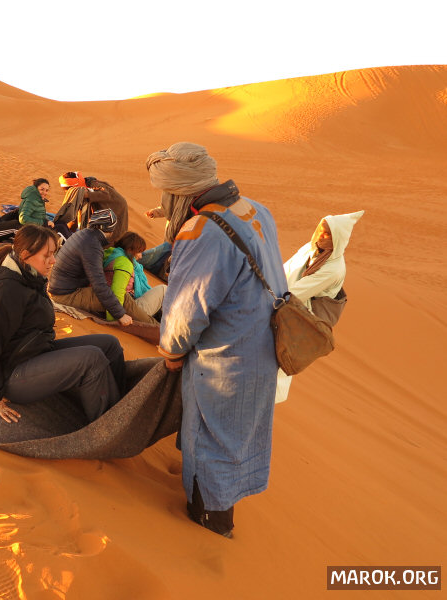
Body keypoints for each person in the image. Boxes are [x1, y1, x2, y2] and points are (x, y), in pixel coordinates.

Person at [148, 142, 287, 538]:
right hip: (263, 350)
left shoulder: (202, 231)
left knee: (212, 442)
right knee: (239, 436)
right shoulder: (254, 209)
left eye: (165, 194)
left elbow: (185, 311)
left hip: (224, 363)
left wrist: (171, 352)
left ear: (178, 193)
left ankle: (211, 530)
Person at [0, 225, 126, 423]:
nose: (53, 260)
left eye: (54, 253)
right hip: (13, 375)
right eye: (47, 255)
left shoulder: (30, 277)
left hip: (35, 353)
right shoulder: (5, 291)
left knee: (109, 344)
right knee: (91, 359)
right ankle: (110, 426)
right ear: (25, 255)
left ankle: (123, 405)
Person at [275, 210, 364, 402]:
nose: (323, 236)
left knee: (279, 360)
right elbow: (285, 269)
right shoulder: (309, 249)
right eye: (322, 231)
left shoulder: (334, 269)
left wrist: (269, 296)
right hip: (280, 305)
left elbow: (297, 293)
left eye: (329, 234)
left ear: (338, 239)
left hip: (299, 320)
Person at [47, 209, 135, 327]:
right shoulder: (92, 245)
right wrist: (120, 315)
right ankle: (153, 327)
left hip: (59, 288)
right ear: (110, 229)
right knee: (122, 298)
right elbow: (99, 284)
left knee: (114, 297)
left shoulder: (84, 234)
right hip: (65, 295)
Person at [103, 232, 166, 323]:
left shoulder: (114, 255)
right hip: (129, 309)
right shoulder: (124, 264)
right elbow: (117, 291)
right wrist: (117, 316)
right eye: (139, 252)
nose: (140, 256)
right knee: (164, 290)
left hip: (128, 304)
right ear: (130, 249)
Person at [53, 172, 129, 243]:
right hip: (104, 210)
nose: (67, 192)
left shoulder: (92, 185)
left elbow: (106, 194)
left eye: (69, 190)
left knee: (113, 230)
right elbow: (74, 213)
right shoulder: (81, 190)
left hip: (116, 206)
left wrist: (86, 194)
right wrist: (67, 230)